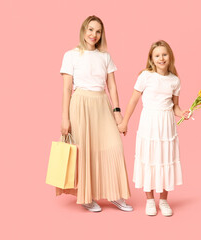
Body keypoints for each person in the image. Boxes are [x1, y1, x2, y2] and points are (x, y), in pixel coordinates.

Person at [58, 15, 132, 212]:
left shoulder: (105, 56)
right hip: (80, 103)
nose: (94, 34)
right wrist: (65, 118)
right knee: (85, 151)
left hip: (102, 103)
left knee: (114, 146)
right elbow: (66, 89)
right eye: (91, 29)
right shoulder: (71, 55)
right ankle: (86, 196)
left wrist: (117, 112)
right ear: (83, 30)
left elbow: (112, 86)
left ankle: (114, 193)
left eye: (98, 31)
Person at [118, 40, 190, 216]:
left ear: (170, 56)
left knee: (165, 159)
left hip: (166, 126)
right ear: (151, 58)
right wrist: (125, 121)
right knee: (149, 158)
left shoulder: (175, 80)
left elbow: (175, 107)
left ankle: (164, 200)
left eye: (164, 54)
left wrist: (183, 113)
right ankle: (150, 199)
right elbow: (133, 100)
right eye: (157, 55)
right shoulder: (145, 76)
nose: (161, 58)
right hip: (149, 123)